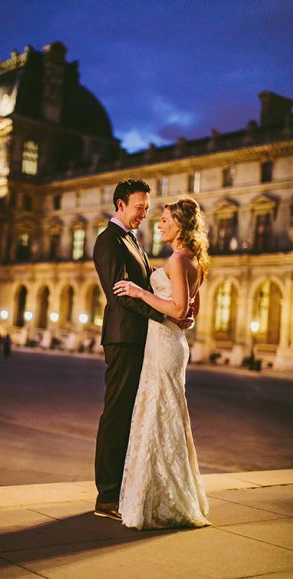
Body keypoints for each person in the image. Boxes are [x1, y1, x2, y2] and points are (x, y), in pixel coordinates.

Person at [92, 179, 192, 522]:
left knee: (131, 414)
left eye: (148, 208)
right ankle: (106, 497)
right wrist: (165, 315)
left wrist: (171, 311)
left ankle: (121, 489)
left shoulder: (131, 240)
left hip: (141, 338)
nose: (145, 214)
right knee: (117, 414)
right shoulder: (109, 241)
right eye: (139, 207)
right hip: (124, 338)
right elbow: (119, 292)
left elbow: (143, 284)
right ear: (120, 205)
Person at [113, 197, 210, 529]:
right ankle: (163, 493)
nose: (159, 223)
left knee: (158, 416)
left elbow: (180, 310)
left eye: (166, 219)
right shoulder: (192, 259)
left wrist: (139, 292)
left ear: (180, 225)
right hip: (168, 342)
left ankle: (158, 498)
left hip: (166, 344)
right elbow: (190, 312)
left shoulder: (180, 259)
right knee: (164, 417)